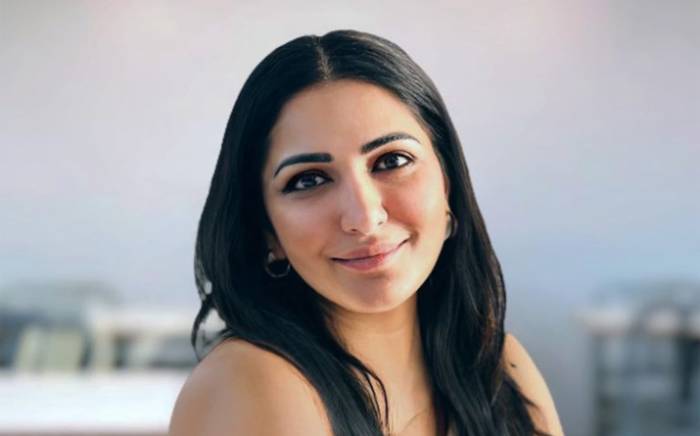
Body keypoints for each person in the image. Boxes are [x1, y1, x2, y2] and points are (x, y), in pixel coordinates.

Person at [169, 29, 564, 436]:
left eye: (392, 160)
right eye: (309, 180)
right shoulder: (252, 384)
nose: (365, 216)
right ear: (266, 230)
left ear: (447, 185)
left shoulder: (499, 367)